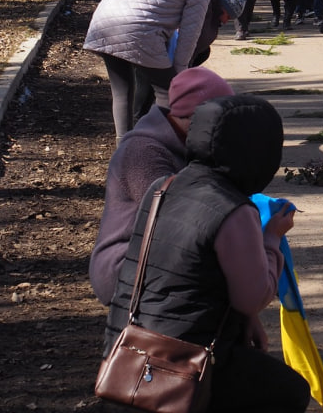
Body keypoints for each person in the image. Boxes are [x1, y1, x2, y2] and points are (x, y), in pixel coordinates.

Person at [101, 95, 311, 413]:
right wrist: (271, 239)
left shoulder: (164, 186)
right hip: (180, 364)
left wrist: (244, 320)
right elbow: (252, 298)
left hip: (125, 350)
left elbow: (190, 270)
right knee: (290, 392)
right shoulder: (234, 210)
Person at [89, 67, 235, 306]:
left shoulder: (191, 143)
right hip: (123, 268)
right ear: (195, 117)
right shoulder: (143, 153)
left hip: (157, 258)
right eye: (219, 122)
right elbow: (173, 220)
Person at [83, 0, 217, 139]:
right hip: (140, 30)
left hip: (104, 21)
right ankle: (161, 146)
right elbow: (190, 33)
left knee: (122, 91)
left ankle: (124, 151)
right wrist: (178, 76)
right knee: (168, 92)